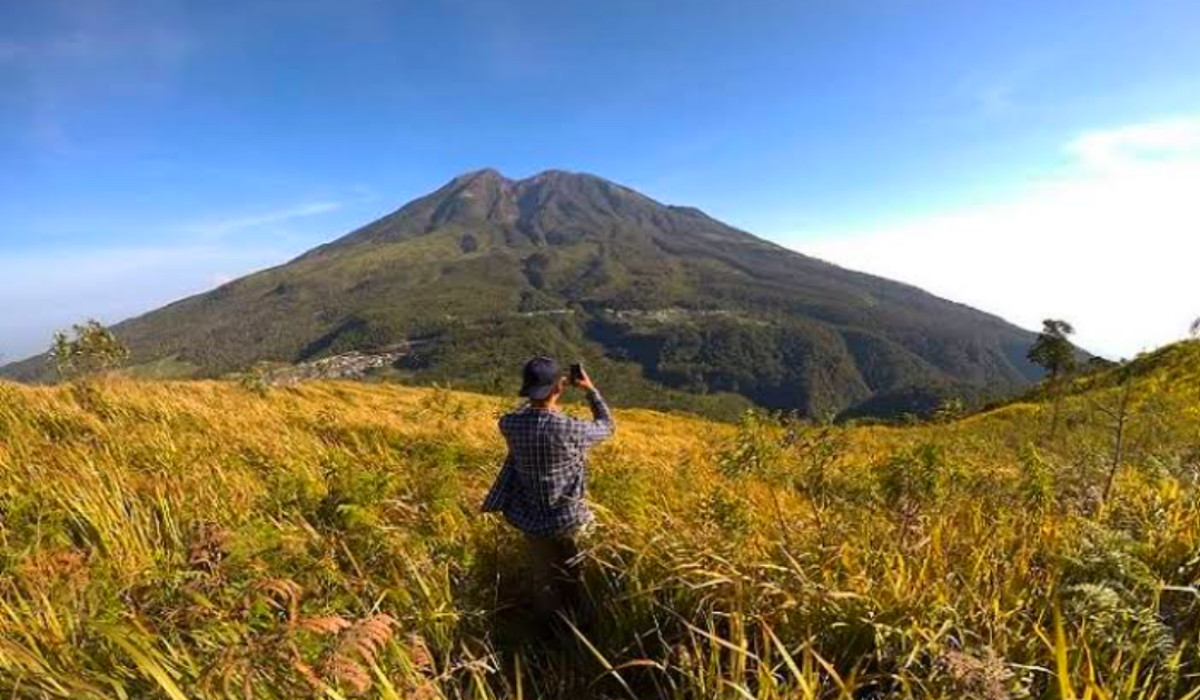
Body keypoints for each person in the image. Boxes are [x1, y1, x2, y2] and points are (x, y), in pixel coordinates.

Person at [482, 356, 615, 620]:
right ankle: (585, 626)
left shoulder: (510, 425)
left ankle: (548, 630)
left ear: (527, 389)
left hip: (531, 519)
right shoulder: (571, 429)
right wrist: (590, 390)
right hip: (570, 519)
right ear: (559, 387)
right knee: (581, 577)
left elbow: (521, 414)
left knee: (544, 582)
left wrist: (536, 397)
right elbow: (607, 425)